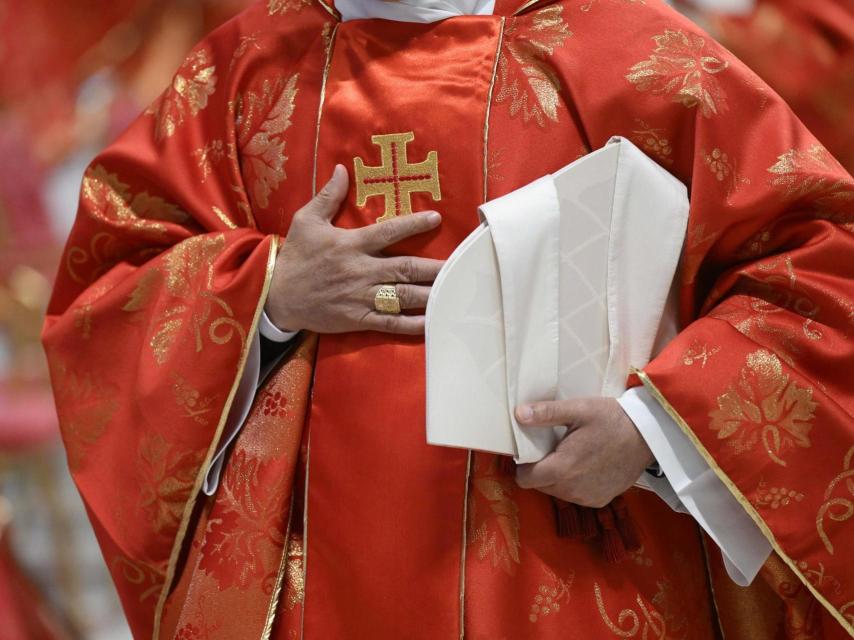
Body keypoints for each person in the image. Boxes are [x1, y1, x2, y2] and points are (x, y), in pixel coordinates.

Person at [42, 0, 854, 638]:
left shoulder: (632, 51)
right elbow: (107, 297)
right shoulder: (244, 71)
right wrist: (270, 291)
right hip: (317, 582)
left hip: (577, 569)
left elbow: (818, 268)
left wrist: (651, 427)